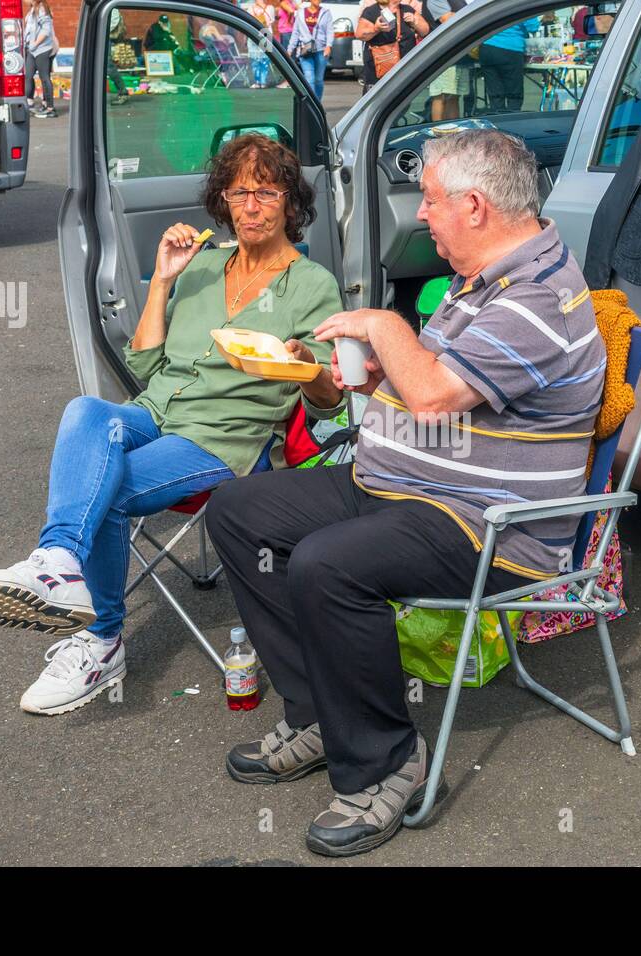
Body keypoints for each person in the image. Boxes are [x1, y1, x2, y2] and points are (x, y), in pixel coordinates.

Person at [205, 130, 606, 857]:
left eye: (429, 200)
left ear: (475, 206)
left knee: (326, 564)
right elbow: (434, 385)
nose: (421, 215)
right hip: (406, 486)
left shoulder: (538, 300)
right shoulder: (484, 276)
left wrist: (383, 326)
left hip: (492, 527)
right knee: (238, 512)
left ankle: (388, 763)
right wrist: (353, 375)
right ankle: (321, 716)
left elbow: (431, 397)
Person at [0, 135, 345, 715]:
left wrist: (302, 369)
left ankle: (101, 639)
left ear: (290, 203)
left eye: (266, 192)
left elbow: (328, 402)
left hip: (224, 439)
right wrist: (165, 277)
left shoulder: (311, 284)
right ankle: (59, 560)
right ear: (222, 199)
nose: (250, 205)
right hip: (157, 412)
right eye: (238, 191)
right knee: (86, 410)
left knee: (109, 489)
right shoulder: (203, 264)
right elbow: (145, 363)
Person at [357, 0, 429, 92]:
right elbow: (360, 34)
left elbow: (425, 31)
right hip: (379, 70)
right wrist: (376, 29)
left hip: (405, 68)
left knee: (403, 99)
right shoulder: (371, 11)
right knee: (378, 100)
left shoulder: (407, 9)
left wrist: (414, 22)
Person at [479, 16, 541, 112]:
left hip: (487, 46)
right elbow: (533, 27)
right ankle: (512, 121)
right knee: (514, 94)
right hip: (510, 48)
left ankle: (497, 120)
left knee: (495, 94)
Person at [425, 0, 472, 120]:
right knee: (441, 96)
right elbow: (447, 19)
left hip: (460, 56)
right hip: (443, 57)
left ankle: (453, 132)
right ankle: (438, 131)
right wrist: (470, 16)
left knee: (454, 96)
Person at [287, 0, 334, 99]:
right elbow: (295, 32)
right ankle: (313, 105)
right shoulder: (300, 13)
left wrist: (329, 46)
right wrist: (290, 49)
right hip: (305, 50)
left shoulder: (326, 13)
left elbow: (330, 31)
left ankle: (318, 104)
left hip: (321, 49)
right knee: (309, 79)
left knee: (318, 79)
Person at [24, 0, 57, 118]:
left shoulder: (41, 8)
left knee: (44, 78)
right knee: (28, 75)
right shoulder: (32, 9)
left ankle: (50, 108)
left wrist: (35, 43)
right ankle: (28, 103)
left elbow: (46, 30)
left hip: (42, 49)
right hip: (31, 50)